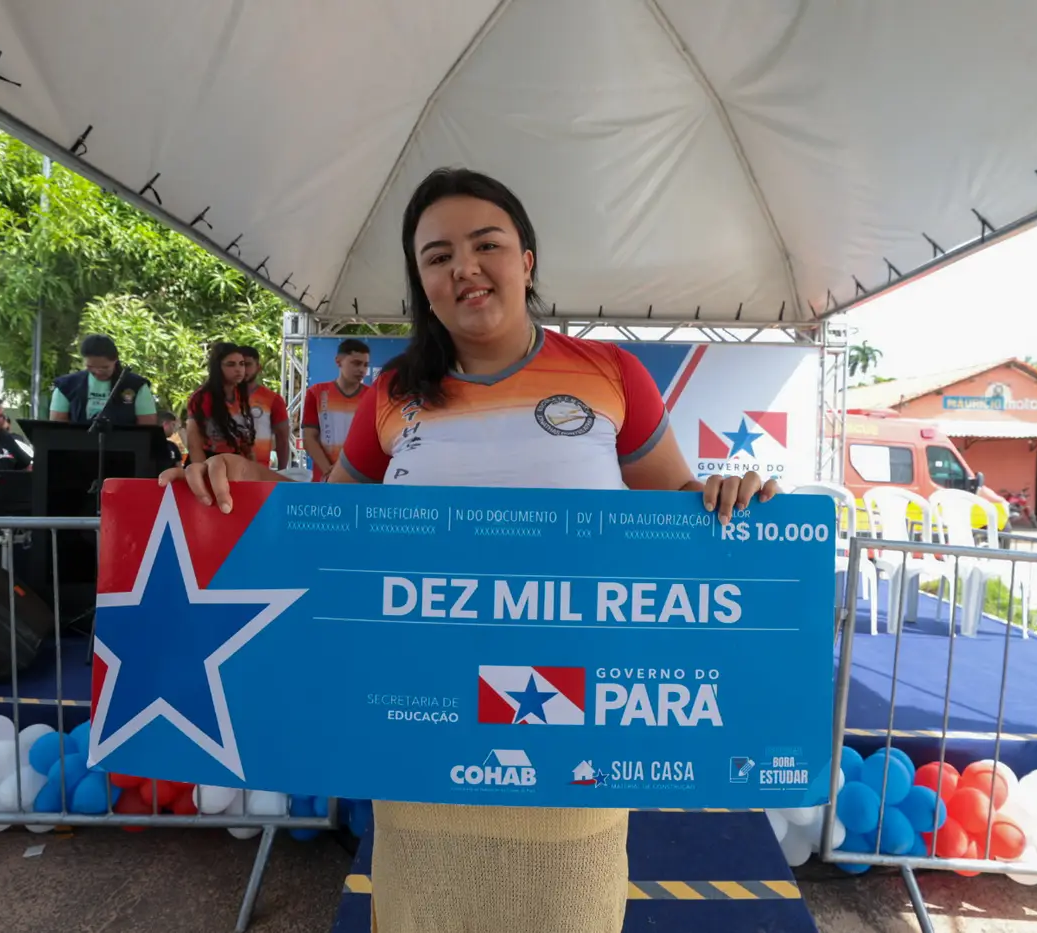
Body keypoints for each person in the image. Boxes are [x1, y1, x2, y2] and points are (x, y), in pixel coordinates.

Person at [162, 168, 778, 933]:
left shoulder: (612, 376)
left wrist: (725, 498)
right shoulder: (392, 391)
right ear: (422, 282)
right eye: (437, 255)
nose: (464, 267)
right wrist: (242, 478)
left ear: (526, 259)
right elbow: (328, 521)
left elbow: (676, 522)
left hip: (572, 737)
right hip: (421, 737)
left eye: (486, 244)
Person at [186, 342, 291, 470]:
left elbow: (248, 442)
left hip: (239, 468)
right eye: (231, 364)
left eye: (242, 364)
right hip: (209, 467)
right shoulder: (202, 398)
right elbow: (194, 445)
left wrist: (253, 470)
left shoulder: (241, 396)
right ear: (218, 367)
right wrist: (204, 473)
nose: (239, 369)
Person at [49, 334, 158, 427]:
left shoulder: (137, 386)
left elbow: (147, 429)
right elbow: (57, 427)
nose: (98, 372)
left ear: (115, 360)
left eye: (104, 367)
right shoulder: (66, 386)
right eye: (91, 367)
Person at [302, 338, 371, 482]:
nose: (362, 370)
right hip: (324, 478)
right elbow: (309, 438)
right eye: (356, 363)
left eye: (365, 365)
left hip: (359, 479)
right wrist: (329, 471)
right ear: (338, 361)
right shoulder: (316, 393)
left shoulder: (372, 396)